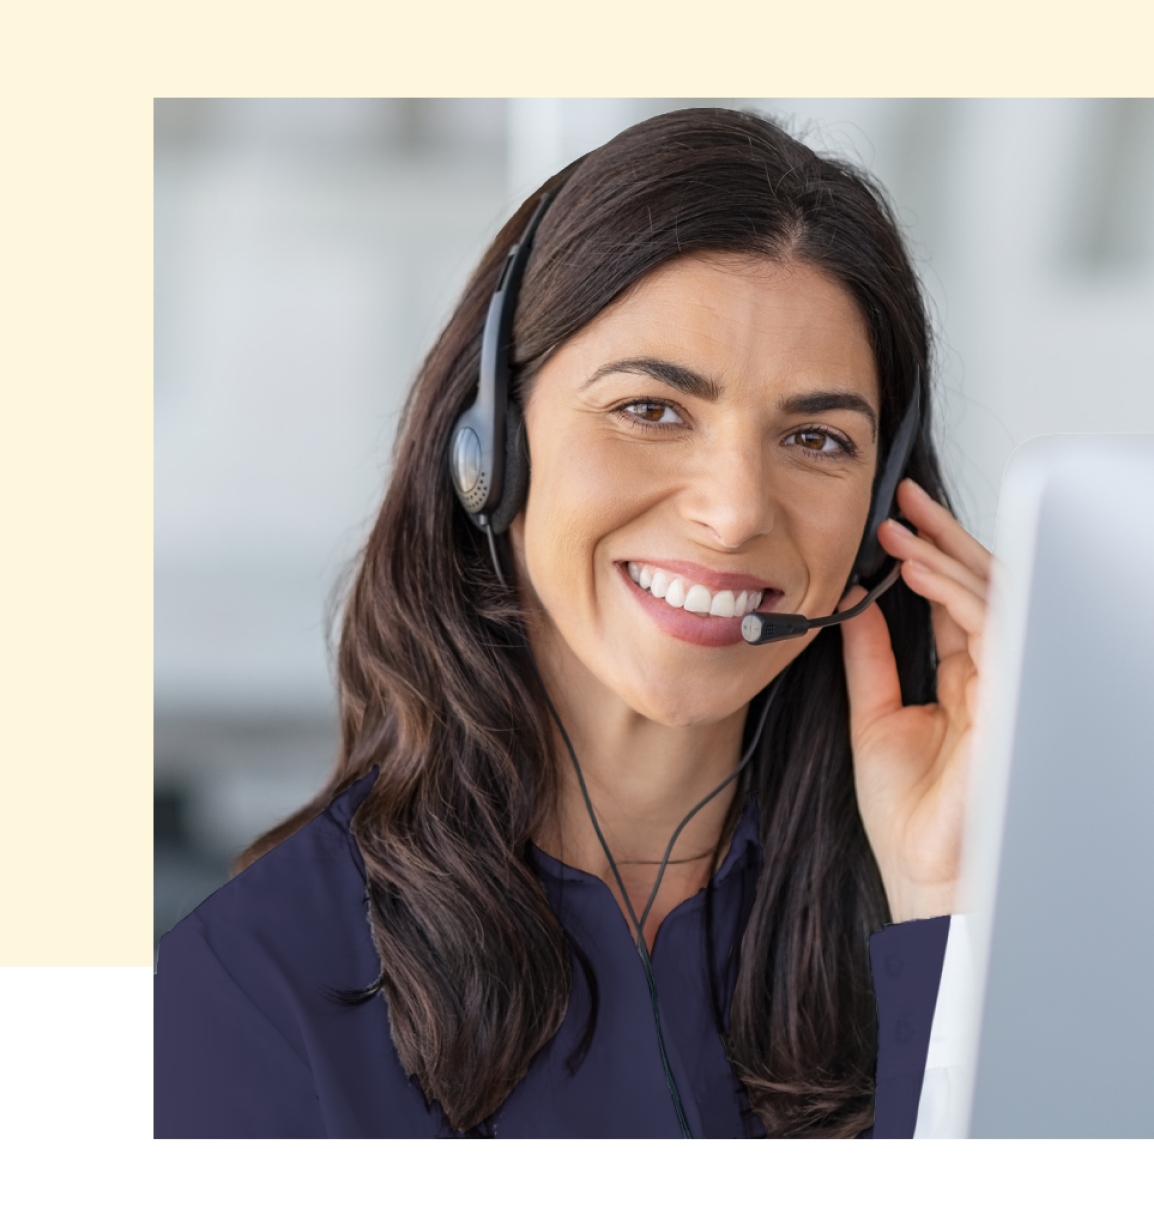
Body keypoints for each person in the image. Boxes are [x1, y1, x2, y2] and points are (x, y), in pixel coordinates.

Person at [153, 108, 992, 1140]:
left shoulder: (947, 928)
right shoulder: (258, 983)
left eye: (815, 436)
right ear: (492, 447)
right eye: (651, 409)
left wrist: (947, 905)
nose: (734, 511)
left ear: (878, 520)